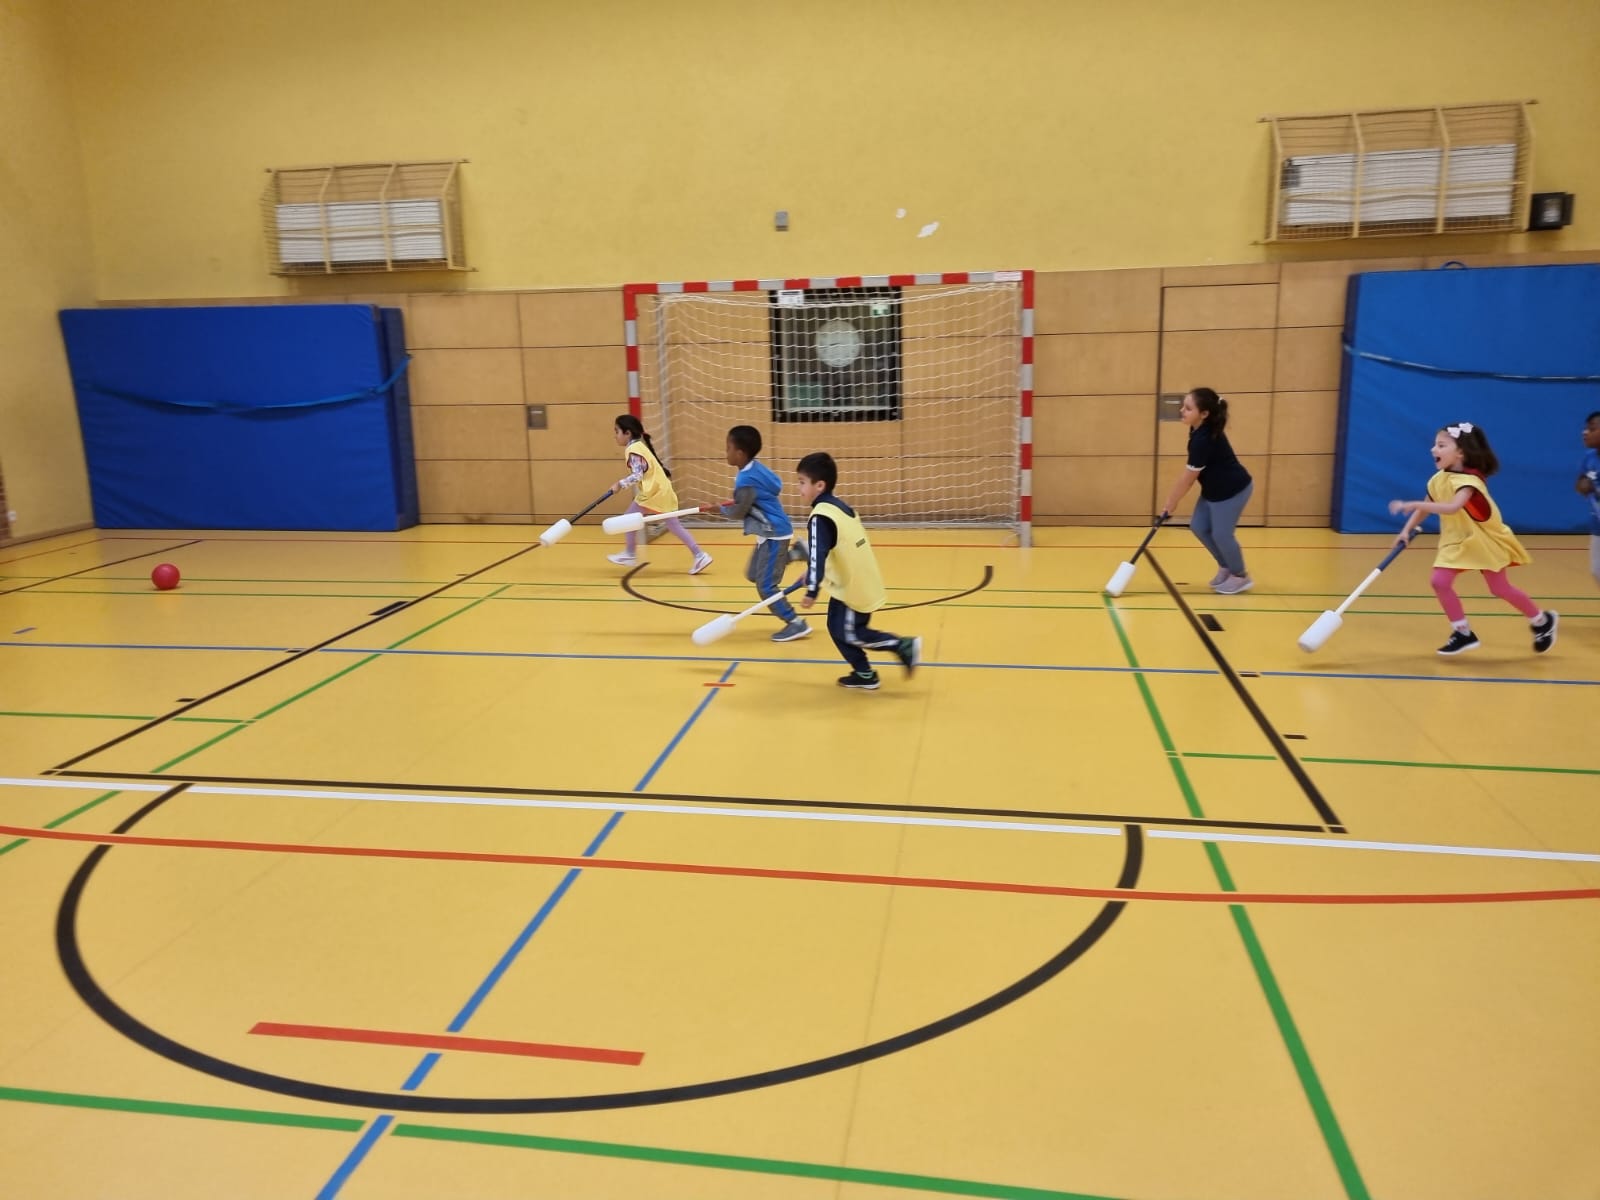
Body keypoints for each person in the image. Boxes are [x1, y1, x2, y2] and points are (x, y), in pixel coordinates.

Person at [1389, 421, 1557, 656]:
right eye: (1434, 445)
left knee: (1500, 588)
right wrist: (1406, 530)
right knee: (1439, 581)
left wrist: (1413, 503)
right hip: (1456, 541)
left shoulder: (1469, 482)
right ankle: (1463, 632)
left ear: (1460, 452)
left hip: (1484, 540)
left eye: (1441, 445)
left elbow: (1452, 507)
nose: (1433, 449)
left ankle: (1542, 621)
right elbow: (1426, 506)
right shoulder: (1437, 480)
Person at [796, 452, 919, 690]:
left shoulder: (820, 517)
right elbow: (834, 550)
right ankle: (864, 674)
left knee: (851, 633)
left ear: (819, 485)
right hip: (851, 582)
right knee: (837, 628)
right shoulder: (839, 507)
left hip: (853, 587)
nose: (799, 488)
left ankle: (901, 645)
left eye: (802, 482)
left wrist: (812, 588)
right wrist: (811, 573)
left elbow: (818, 554)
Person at [1158, 387, 1255, 593]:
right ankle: (1226, 566)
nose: (1182, 411)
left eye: (1188, 408)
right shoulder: (1197, 429)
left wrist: (1171, 502)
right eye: (1183, 406)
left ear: (1204, 414)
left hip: (1232, 491)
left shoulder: (1204, 439)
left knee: (1222, 534)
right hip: (1213, 490)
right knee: (1199, 527)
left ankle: (1240, 576)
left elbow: (1188, 479)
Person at [719, 425, 810, 642]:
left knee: (765, 586)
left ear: (740, 453)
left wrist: (719, 509)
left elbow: (739, 512)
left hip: (773, 534)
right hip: (771, 532)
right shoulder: (756, 468)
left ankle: (795, 623)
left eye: (728, 448)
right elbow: (774, 486)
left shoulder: (744, 480)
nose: (726, 452)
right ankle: (796, 553)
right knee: (753, 574)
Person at [606, 414, 712, 574]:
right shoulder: (639, 446)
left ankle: (629, 554)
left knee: (629, 519)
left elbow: (637, 475)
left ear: (627, 433)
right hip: (661, 491)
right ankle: (699, 555)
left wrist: (619, 484)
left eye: (617, 431)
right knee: (673, 525)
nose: (615, 436)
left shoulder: (633, 449)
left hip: (653, 493)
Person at [1578, 411, 1600, 590]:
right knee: (1597, 571)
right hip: (1597, 527)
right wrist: (1583, 485)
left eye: (1592, 429)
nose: (1585, 432)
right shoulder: (1589, 458)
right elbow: (1580, 483)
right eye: (1586, 428)